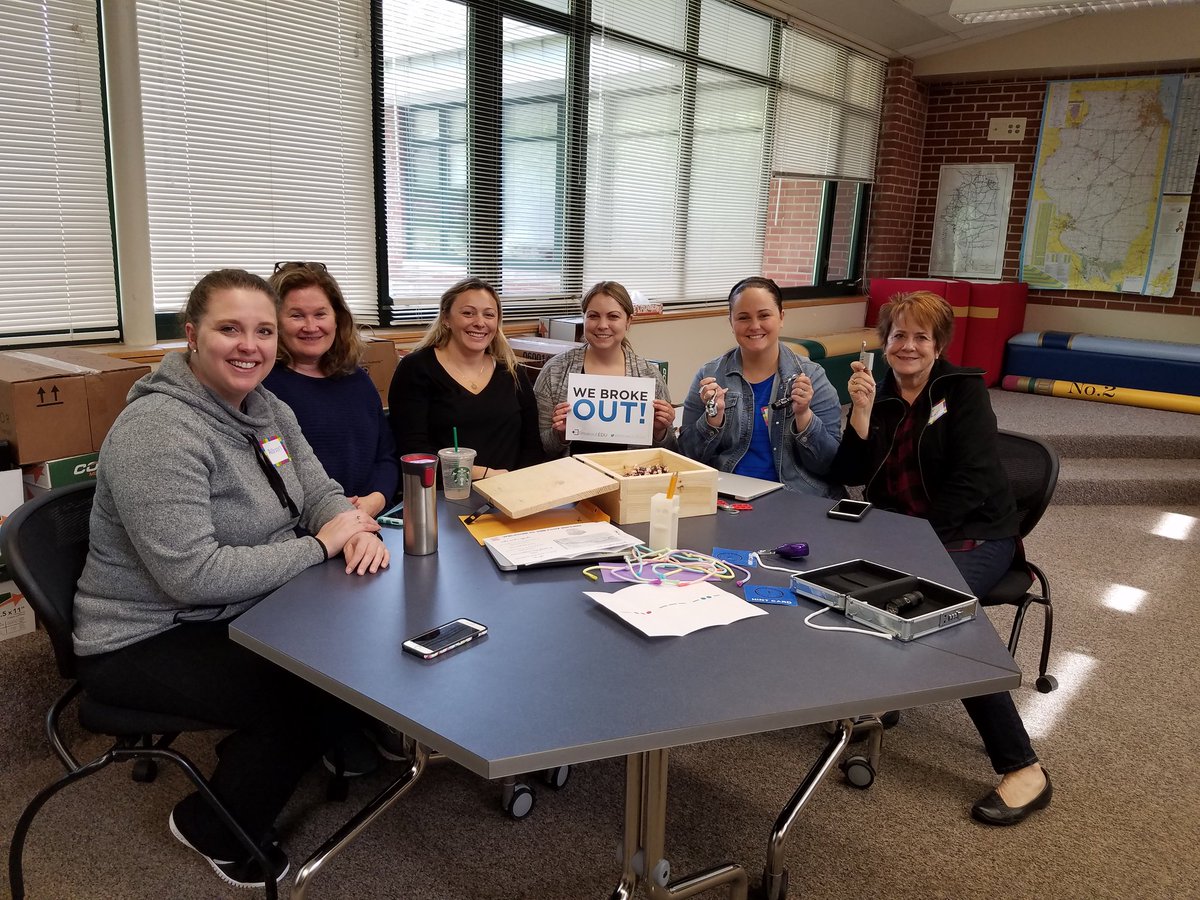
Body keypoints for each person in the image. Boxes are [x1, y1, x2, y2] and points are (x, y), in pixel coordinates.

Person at [72, 269, 390, 889]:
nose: (251, 345)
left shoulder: (264, 406)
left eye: (263, 331)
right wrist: (323, 545)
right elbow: (192, 575)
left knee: (353, 647)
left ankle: (254, 760)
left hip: (240, 602)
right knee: (307, 688)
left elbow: (319, 489)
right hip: (145, 634)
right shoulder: (158, 431)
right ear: (192, 335)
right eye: (230, 329)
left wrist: (349, 526)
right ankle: (210, 824)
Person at [829, 289, 1051, 826]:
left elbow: (973, 483)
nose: (908, 346)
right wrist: (859, 414)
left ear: (938, 345)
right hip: (908, 535)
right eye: (898, 336)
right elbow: (852, 471)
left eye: (920, 337)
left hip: (977, 533)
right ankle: (881, 695)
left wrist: (915, 541)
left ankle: (1025, 767)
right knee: (840, 586)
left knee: (944, 616)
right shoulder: (879, 393)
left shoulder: (965, 390)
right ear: (885, 344)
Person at [679, 276, 842, 497]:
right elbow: (686, 459)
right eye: (743, 317)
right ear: (731, 322)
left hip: (794, 498)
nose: (754, 326)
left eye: (764, 315)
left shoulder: (811, 376)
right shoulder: (710, 376)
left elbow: (830, 465)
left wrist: (804, 416)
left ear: (781, 317)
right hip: (726, 496)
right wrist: (711, 421)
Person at [264, 261, 398, 518]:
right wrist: (333, 513)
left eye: (320, 314)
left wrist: (376, 500)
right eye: (297, 315)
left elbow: (387, 455)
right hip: (306, 532)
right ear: (274, 322)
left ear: (337, 318)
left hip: (374, 519)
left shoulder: (357, 379)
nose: (311, 326)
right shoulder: (264, 388)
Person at [388, 277, 544, 479]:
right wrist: (483, 474)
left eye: (489, 315)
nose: (479, 323)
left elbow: (532, 444)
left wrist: (517, 483)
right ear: (446, 318)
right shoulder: (416, 368)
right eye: (468, 313)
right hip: (445, 494)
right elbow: (413, 450)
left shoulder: (512, 371)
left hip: (510, 490)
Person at [533, 281, 676, 458]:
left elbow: (670, 451)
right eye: (593, 316)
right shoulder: (555, 372)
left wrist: (659, 431)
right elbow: (538, 448)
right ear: (584, 318)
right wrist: (560, 435)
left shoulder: (649, 376)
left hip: (629, 479)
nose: (602, 325)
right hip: (570, 480)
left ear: (628, 321)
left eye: (613, 316)